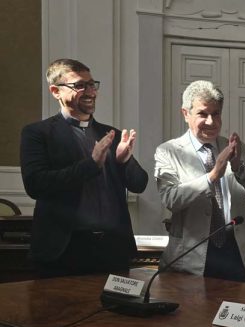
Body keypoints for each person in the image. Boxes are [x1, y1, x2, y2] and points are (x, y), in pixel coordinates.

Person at [20, 58, 149, 277]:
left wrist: (124, 161)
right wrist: (91, 164)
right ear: (55, 91)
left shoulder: (112, 134)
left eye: (91, 84)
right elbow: (36, 185)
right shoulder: (38, 133)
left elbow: (139, 184)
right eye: (79, 85)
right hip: (64, 251)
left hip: (113, 249)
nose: (90, 92)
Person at [154, 80, 245, 282]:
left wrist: (238, 167)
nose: (211, 121)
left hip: (235, 251)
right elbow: (171, 200)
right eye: (202, 114)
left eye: (216, 114)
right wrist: (212, 176)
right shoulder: (168, 151)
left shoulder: (233, 147)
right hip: (191, 255)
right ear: (185, 114)